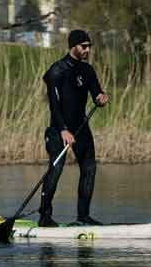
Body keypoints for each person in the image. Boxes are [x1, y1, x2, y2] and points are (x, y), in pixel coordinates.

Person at [38, 29, 109, 227]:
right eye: (83, 46)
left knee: (89, 168)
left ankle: (83, 216)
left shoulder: (87, 70)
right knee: (56, 169)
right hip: (58, 129)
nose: (87, 50)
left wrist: (101, 98)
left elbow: (97, 93)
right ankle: (44, 217)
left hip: (81, 127)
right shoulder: (57, 71)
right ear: (73, 46)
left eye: (89, 46)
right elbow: (54, 103)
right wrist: (62, 130)